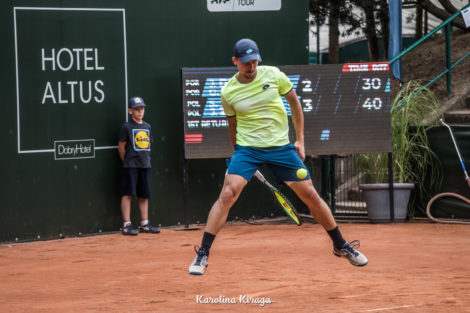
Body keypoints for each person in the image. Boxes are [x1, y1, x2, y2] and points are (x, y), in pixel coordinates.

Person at [188, 38, 367, 275]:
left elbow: (295, 103)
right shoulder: (228, 92)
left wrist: (300, 140)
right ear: (235, 62)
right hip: (248, 149)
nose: (251, 67)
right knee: (227, 195)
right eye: (245, 63)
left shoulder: (273, 75)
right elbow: (232, 126)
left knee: (311, 195)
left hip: (281, 148)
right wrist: (237, 156)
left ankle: (340, 244)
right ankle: (203, 253)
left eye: (254, 62)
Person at [118, 96, 160, 236]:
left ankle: (144, 224)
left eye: (142, 109)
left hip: (145, 164)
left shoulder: (147, 126)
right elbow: (121, 147)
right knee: (128, 194)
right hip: (131, 165)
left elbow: (148, 146)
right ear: (130, 111)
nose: (140, 111)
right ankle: (126, 225)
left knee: (144, 195)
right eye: (137, 109)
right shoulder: (126, 127)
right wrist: (127, 161)